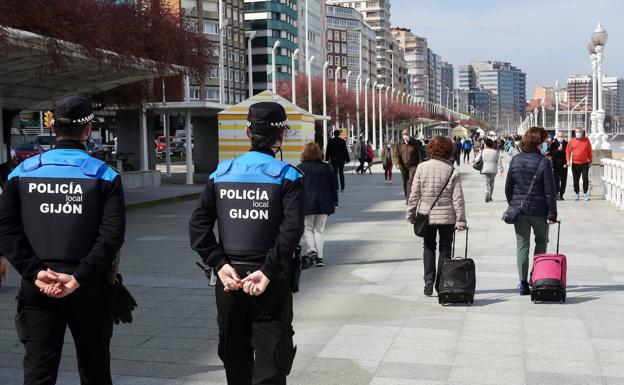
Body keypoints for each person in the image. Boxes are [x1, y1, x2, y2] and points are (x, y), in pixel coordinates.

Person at [0, 96, 126, 384]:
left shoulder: (20, 173)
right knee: (94, 370)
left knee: (38, 373)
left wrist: (34, 272)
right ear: (88, 129)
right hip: (90, 287)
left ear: (53, 128)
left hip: (38, 286)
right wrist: (79, 277)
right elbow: (112, 236)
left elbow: (6, 229)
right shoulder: (105, 175)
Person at [189, 102, 303, 385]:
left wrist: (219, 264)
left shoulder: (221, 174)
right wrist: (268, 271)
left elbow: (198, 225)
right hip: (270, 281)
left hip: (230, 281)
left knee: (235, 359)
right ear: (282, 137)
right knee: (273, 361)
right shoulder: (288, 176)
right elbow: (291, 231)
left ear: (247, 132)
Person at [406, 136, 467, 296]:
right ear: (449, 151)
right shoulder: (453, 171)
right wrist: (460, 220)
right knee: (445, 248)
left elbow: (414, 194)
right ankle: (441, 282)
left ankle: (428, 278)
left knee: (428, 245)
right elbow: (458, 198)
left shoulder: (421, 167)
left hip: (426, 213)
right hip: (447, 216)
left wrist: (411, 212)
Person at [505, 126, 557, 296]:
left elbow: (508, 187)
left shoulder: (516, 160)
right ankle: (537, 277)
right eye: (544, 141)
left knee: (522, 245)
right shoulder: (544, 162)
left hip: (520, 212)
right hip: (539, 211)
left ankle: (522, 283)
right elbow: (550, 190)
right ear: (538, 142)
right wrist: (552, 214)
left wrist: (514, 204)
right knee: (541, 242)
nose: (545, 144)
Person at [298, 142, 337, 267]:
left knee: (308, 228)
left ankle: (312, 251)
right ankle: (320, 258)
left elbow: (296, 188)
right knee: (319, 230)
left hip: (307, 202)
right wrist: (335, 202)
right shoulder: (326, 167)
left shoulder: (301, 167)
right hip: (324, 202)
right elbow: (333, 186)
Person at [395, 128, 422, 201]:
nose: (405, 136)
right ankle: (407, 196)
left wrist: (420, 164)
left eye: (406, 134)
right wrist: (397, 163)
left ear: (409, 134)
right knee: (405, 181)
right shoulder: (399, 143)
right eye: (404, 134)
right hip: (402, 166)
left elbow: (418, 154)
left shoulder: (414, 142)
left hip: (412, 165)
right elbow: (396, 154)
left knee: (410, 181)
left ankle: (409, 198)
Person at [566, 128, 592, 201]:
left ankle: (585, 194)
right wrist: (568, 160)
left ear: (582, 132)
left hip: (584, 163)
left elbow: (589, 151)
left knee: (585, 178)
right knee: (575, 180)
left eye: (579, 132)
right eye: (577, 132)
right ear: (575, 132)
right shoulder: (572, 141)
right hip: (575, 164)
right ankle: (577, 193)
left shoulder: (586, 140)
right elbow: (568, 152)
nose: (578, 133)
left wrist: (590, 160)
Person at [478, 138, 504, 202]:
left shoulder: (483, 151)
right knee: (492, 183)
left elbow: (476, 159)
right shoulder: (495, 152)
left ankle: (486, 192)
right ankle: (490, 196)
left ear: (486, 144)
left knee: (486, 183)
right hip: (493, 169)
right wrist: (501, 169)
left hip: (485, 168)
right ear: (492, 144)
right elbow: (499, 161)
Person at [549, 131, 568, 200]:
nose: (561, 138)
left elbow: (568, 154)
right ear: (557, 136)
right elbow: (551, 153)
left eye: (562, 136)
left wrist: (567, 163)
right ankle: (556, 193)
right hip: (556, 164)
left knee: (564, 180)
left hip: (564, 165)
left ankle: (562, 194)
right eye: (559, 136)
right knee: (556, 180)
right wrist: (557, 149)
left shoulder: (566, 143)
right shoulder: (553, 144)